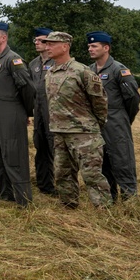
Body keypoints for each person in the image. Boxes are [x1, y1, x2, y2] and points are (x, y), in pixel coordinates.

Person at [43, 32, 112, 209]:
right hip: (60, 132)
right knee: (62, 173)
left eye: (52, 44)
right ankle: (69, 206)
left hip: (84, 133)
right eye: (46, 44)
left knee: (91, 175)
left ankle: (104, 210)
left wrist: (95, 124)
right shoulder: (50, 73)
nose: (47, 47)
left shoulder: (82, 71)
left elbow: (99, 101)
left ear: (65, 46)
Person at [0, 21, 36, 207]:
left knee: (14, 157)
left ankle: (24, 201)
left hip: (10, 114)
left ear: (4, 37)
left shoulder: (13, 60)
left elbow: (28, 89)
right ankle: (5, 197)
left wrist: (25, 113)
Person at [87, 31, 140, 200]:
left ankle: (129, 199)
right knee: (102, 162)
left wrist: (124, 118)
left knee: (122, 159)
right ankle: (109, 199)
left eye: (94, 46)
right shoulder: (89, 70)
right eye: (89, 46)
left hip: (116, 120)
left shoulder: (119, 69)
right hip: (97, 123)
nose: (90, 49)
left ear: (106, 48)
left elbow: (132, 99)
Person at [29, 28, 58, 196]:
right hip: (38, 111)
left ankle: (63, 185)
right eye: (36, 40)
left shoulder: (58, 63)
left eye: (41, 40)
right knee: (40, 147)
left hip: (54, 112)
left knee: (56, 148)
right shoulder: (33, 64)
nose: (37, 43)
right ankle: (44, 185)